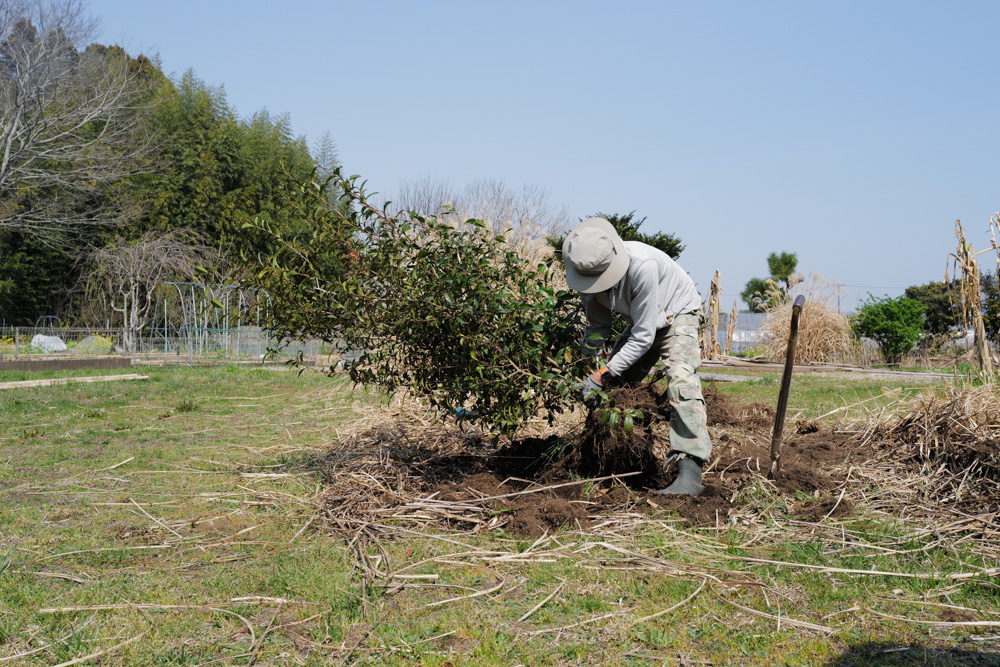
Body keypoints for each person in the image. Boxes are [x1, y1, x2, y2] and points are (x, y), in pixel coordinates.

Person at [562, 217, 712, 495]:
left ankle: (690, 471)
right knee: (616, 387)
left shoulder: (643, 266)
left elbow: (644, 335)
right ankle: (626, 455)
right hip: (645, 321)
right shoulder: (586, 269)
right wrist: (590, 364)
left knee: (681, 381)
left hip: (677, 312)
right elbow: (597, 326)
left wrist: (603, 374)